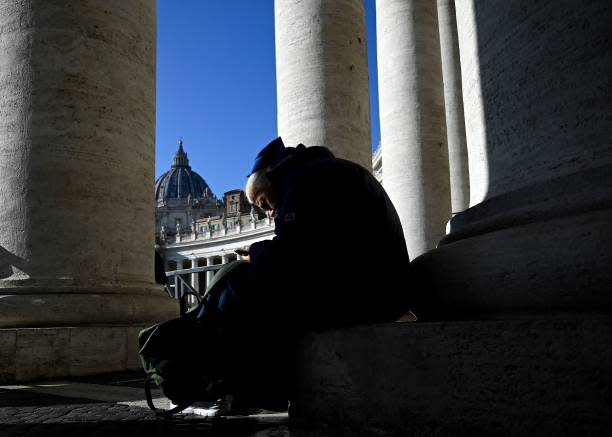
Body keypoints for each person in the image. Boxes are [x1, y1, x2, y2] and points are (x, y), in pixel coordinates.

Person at [199, 137, 411, 413]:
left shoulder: (302, 181)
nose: (269, 212)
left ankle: (246, 391)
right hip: (379, 289)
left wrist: (256, 252)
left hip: (363, 296)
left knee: (237, 291)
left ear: (272, 179)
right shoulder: (325, 172)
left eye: (264, 203)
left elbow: (293, 255)